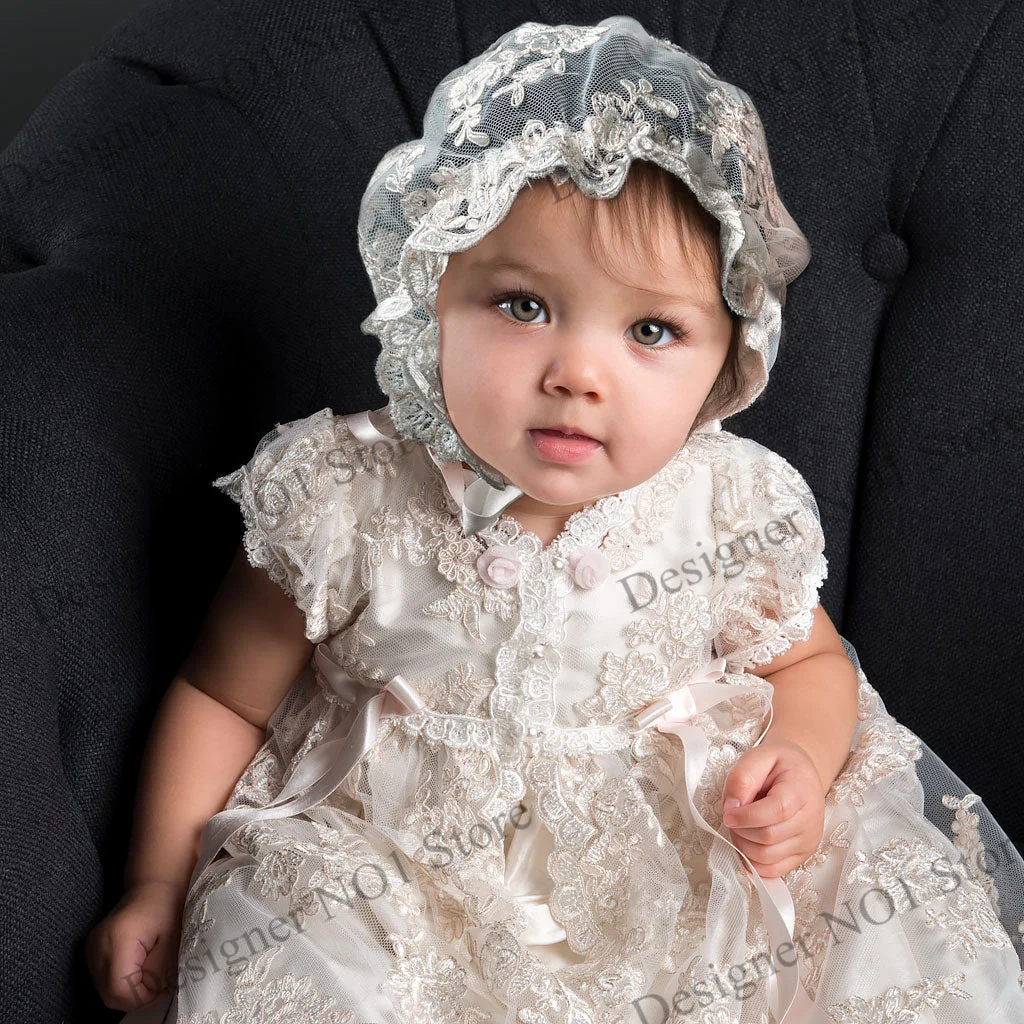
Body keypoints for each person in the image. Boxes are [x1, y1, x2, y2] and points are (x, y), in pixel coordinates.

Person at [86, 16, 1024, 1022]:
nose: (576, 373)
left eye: (651, 330)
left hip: (670, 867)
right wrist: (156, 879)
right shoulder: (338, 493)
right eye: (523, 306)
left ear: (728, 358)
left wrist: (794, 755)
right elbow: (220, 696)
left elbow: (809, 664)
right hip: (397, 874)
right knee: (294, 939)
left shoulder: (722, 503)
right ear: (429, 293)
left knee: (864, 923)